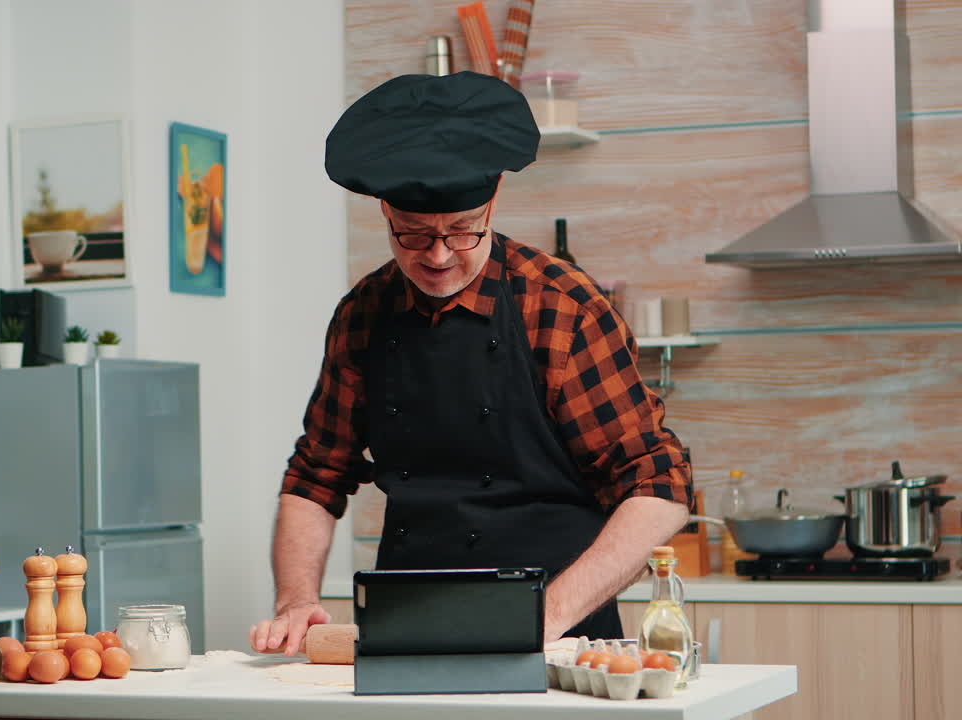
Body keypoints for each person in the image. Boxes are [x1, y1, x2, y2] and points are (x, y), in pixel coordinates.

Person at [249, 71, 693, 658]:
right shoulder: (363, 314)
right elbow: (316, 476)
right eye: (413, 235)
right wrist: (295, 599)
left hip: (560, 639)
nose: (438, 256)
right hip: (408, 627)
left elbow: (658, 481)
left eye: (462, 232)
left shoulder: (561, 308)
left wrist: (546, 616)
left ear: (494, 200)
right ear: (385, 210)